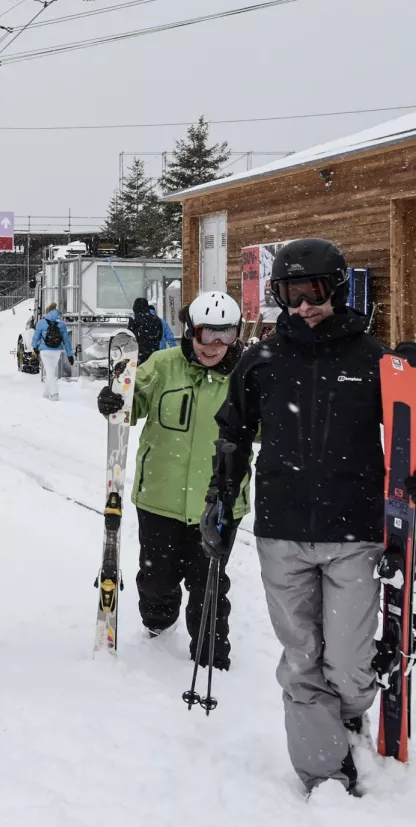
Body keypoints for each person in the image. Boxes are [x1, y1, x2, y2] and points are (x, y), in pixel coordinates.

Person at [204, 238, 389, 796]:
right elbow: (233, 436)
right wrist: (221, 501)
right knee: (302, 658)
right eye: (288, 294)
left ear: (334, 288)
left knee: (352, 667)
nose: (302, 306)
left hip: (354, 531)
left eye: (311, 292)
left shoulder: (371, 359)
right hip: (281, 531)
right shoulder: (263, 361)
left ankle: (346, 715)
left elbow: (405, 440)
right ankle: (325, 773)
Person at [98, 291, 248, 669]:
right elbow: (133, 405)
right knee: (157, 577)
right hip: (159, 496)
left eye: (225, 335)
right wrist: (116, 401)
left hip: (217, 500)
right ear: (190, 331)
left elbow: (266, 427)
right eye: (206, 334)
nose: (215, 345)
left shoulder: (248, 376)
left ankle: (211, 657)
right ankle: (157, 628)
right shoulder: (163, 365)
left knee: (208, 582)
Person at [31, 302, 74, 401]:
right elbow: (66, 341)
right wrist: (70, 355)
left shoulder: (41, 323)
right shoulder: (62, 324)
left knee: (50, 372)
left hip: (45, 351)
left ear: (47, 312)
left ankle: (54, 394)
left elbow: (35, 338)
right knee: (50, 371)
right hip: (56, 351)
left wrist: (34, 348)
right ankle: (46, 393)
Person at [128, 297, 164, 365]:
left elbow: (129, 337)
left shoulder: (134, 320)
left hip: (139, 355)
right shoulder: (156, 319)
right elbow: (160, 336)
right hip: (154, 354)